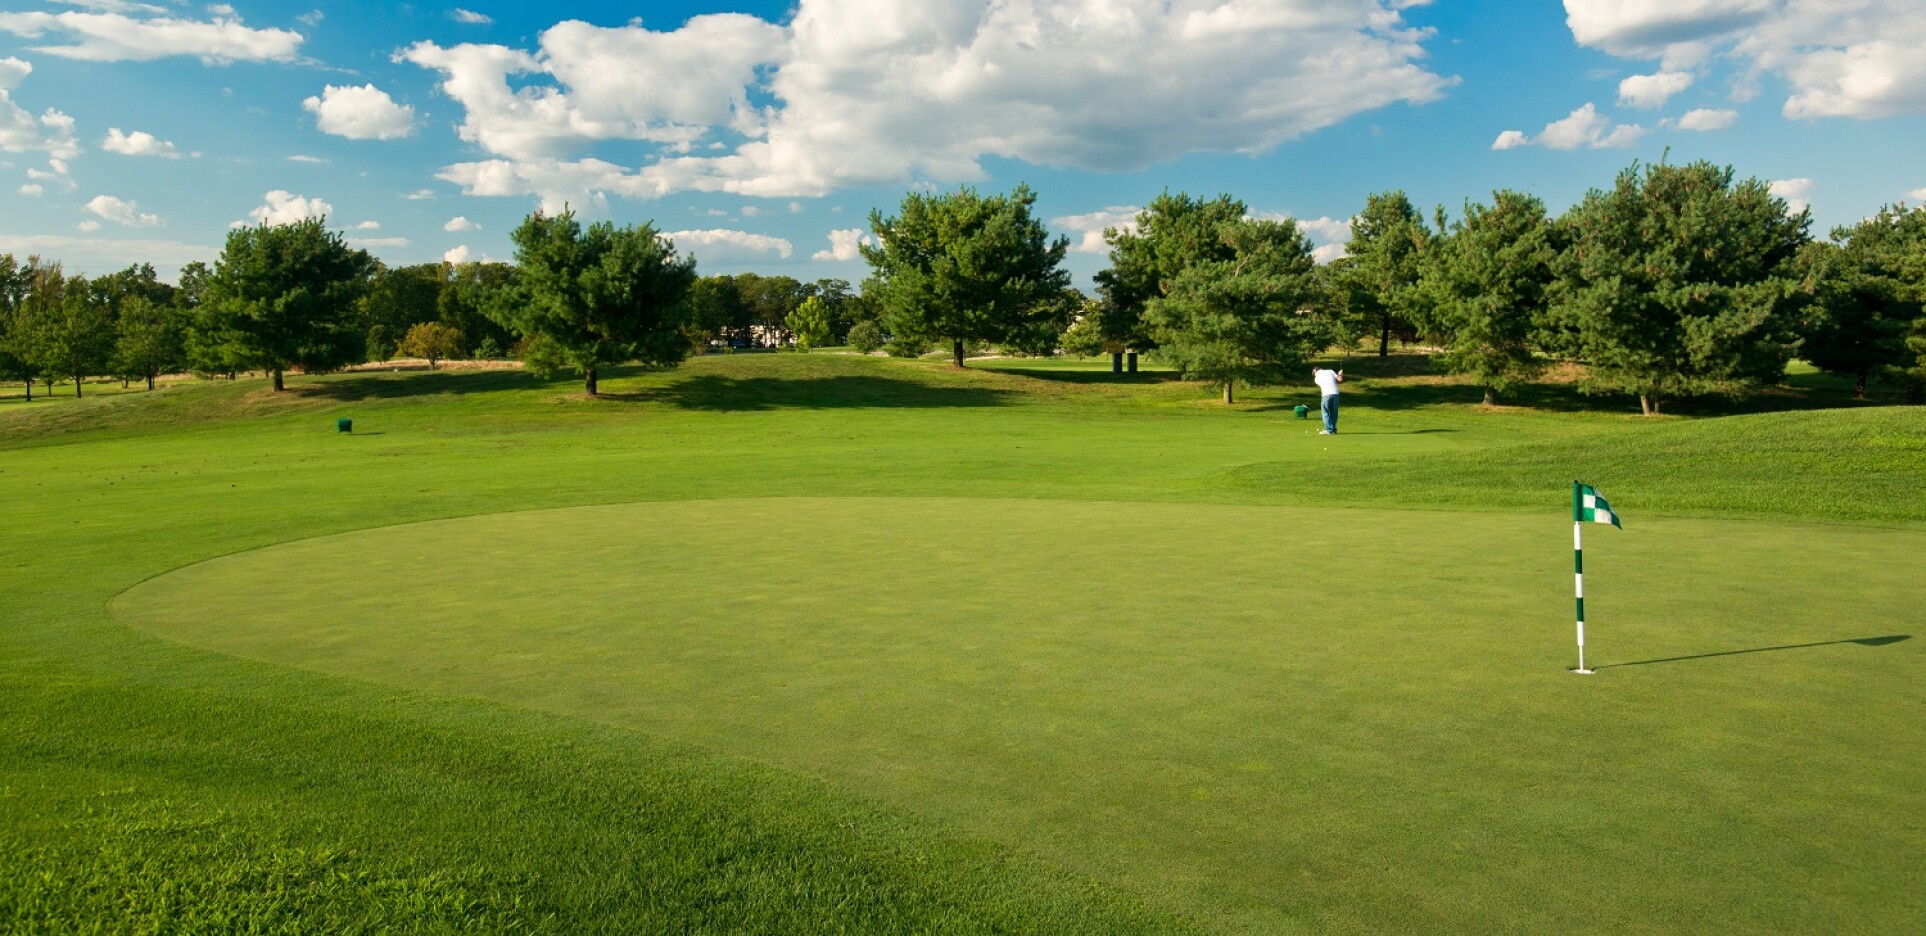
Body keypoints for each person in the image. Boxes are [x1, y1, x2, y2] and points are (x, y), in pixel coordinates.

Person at [1312, 366, 1343, 434]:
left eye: (1314, 373)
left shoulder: (1316, 379)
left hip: (1326, 395)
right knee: (1334, 412)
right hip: (1335, 394)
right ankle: (1333, 429)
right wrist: (1340, 373)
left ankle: (1329, 430)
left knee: (1325, 412)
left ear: (1315, 371)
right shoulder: (1330, 371)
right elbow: (1339, 380)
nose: (1314, 375)